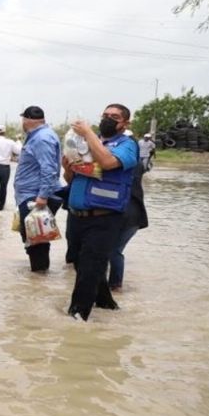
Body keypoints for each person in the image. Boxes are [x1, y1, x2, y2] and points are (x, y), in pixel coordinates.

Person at [62, 103, 139, 321]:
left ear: (125, 123)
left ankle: (77, 315)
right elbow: (71, 179)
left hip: (104, 219)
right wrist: (68, 168)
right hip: (77, 215)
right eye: (105, 115)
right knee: (79, 262)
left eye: (114, 116)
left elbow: (106, 161)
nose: (108, 119)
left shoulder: (127, 145)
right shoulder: (87, 143)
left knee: (89, 268)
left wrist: (87, 132)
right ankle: (106, 303)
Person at [13, 106, 62, 272]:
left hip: (36, 196)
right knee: (32, 234)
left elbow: (48, 168)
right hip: (30, 194)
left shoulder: (42, 138)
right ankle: (38, 272)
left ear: (26, 120)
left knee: (36, 236)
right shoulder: (38, 136)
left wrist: (42, 197)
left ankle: (40, 272)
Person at [108, 159, 148, 290]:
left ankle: (115, 286)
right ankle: (115, 286)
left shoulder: (119, 172)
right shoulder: (136, 165)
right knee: (114, 251)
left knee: (114, 251)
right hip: (134, 217)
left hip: (128, 217)